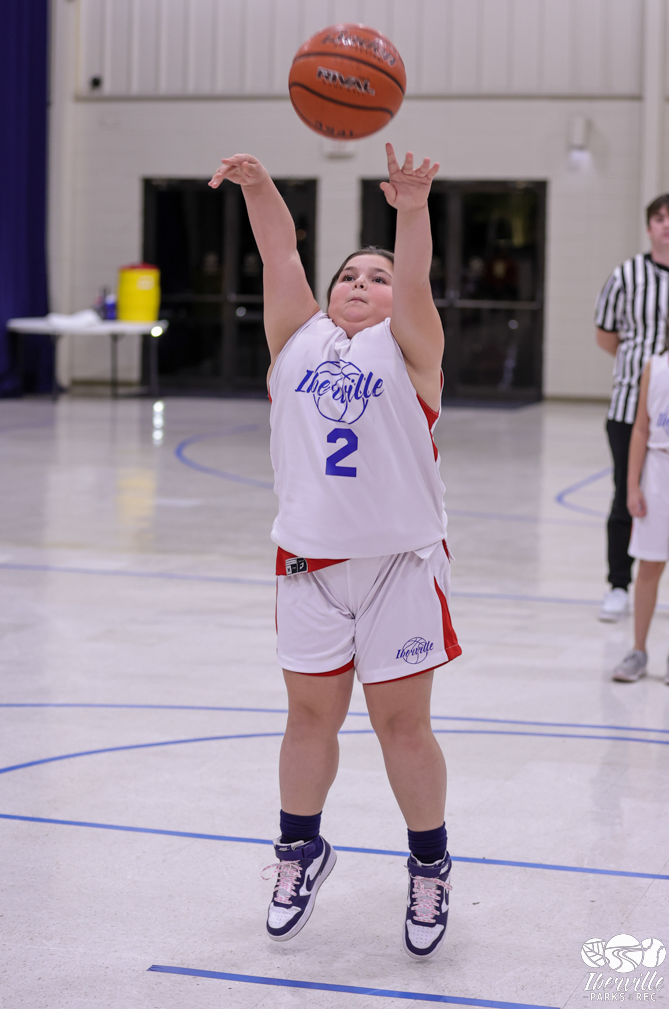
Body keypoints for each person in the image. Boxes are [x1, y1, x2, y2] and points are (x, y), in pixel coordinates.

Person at [209, 144, 461, 960]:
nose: (360, 284)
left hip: (399, 568)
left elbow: (416, 282)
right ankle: (299, 850)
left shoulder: (410, 347)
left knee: (402, 727)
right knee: (309, 717)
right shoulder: (298, 338)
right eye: (348, 275)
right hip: (308, 566)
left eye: (375, 278)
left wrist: (411, 209)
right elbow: (279, 253)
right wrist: (258, 186)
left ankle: (430, 865)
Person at [595, 194, 669, 622]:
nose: (667, 225)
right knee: (626, 495)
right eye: (659, 219)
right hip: (631, 406)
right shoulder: (625, 275)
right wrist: (647, 371)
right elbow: (605, 335)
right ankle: (618, 585)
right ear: (649, 228)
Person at [611, 293, 669, 685]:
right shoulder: (654, 367)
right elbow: (640, 427)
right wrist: (632, 486)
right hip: (658, 469)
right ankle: (638, 650)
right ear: (668, 324)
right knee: (650, 565)